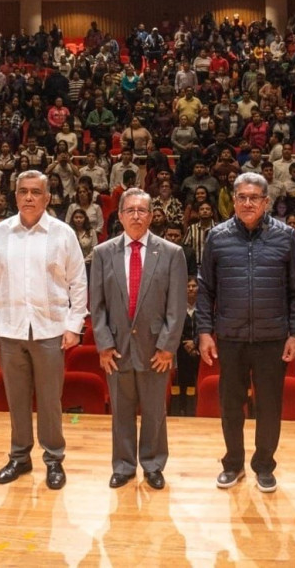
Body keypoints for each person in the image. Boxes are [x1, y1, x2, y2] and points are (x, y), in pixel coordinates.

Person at [0, 170, 87, 490]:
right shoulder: (0, 233)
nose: (29, 197)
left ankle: (54, 459)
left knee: (51, 400)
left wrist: (73, 325)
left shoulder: (62, 233)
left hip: (50, 328)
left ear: (48, 197)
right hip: (10, 329)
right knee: (17, 398)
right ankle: (19, 457)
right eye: (23, 191)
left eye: (36, 192)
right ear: (15, 196)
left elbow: (79, 282)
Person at [196, 172, 295, 493]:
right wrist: (204, 330)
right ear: (234, 200)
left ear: (266, 202)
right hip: (230, 337)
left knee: (269, 406)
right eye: (241, 197)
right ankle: (233, 463)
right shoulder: (217, 237)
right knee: (230, 405)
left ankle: (264, 465)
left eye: (254, 197)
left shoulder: (286, 237)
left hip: (273, 338)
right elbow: (205, 290)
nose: (247, 203)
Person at [89, 188, 187, 489]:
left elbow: (177, 306)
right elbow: (97, 305)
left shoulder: (171, 253)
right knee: (121, 411)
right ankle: (123, 465)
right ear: (119, 215)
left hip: (155, 349)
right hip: (116, 349)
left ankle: (153, 464)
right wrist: (104, 345)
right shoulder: (103, 253)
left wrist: (168, 348)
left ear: (151, 215)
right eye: (129, 210)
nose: (135, 215)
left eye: (142, 210)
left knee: (155, 411)